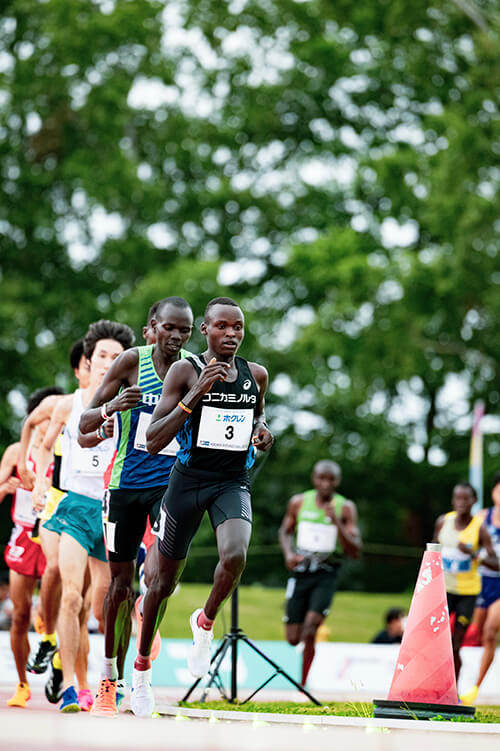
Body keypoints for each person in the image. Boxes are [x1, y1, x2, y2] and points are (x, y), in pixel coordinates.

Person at [129, 296, 274, 716]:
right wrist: (196, 393)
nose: (231, 334)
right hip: (187, 482)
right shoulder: (184, 370)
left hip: (231, 481)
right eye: (223, 327)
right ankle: (140, 670)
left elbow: (258, 416)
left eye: (238, 327)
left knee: (236, 554)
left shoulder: (256, 375)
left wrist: (263, 432)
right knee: (161, 584)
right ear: (205, 330)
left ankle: (205, 623)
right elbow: (155, 438)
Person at [78, 297, 193, 716]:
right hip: (124, 486)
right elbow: (84, 425)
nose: (176, 337)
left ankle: (142, 677)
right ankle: (110, 676)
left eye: (184, 330)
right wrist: (112, 406)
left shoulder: (192, 369)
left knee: (158, 576)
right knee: (119, 588)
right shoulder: (131, 362)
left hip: (171, 486)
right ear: (153, 327)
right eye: (169, 328)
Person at [32, 320, 135, 712]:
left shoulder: (132, 404)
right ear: (88, 362)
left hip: (112, 511)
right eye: (102, 356)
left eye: (115, 357)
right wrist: (42, 482)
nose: (108, 363)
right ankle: (74, 688)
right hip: (75, 506)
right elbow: (43, 446)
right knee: (71, 597)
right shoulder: (68, 405)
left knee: (104, 608)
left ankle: (114, 680)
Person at [20, 339, 90, 678]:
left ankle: (65, 653)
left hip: (90, 500)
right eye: (90, 363)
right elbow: (29, 425)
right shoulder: (59, 404)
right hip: (55, 497)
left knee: (83, 595)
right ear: (78, 369)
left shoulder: (112, 401)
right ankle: (47, 635)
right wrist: (27, 465)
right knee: (53, 570)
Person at [0, 386, 63, 708]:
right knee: (21, 614)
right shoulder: (15, 452)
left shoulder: (64, 448)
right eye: (42, 416)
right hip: (24, 535)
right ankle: (22, 685)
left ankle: (56, 659)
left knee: (62, 608)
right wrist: (6, 486)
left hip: (54, 533)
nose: (47, 422)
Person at [279, 460, 361, 686]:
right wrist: (288, 554)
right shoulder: (298, 502)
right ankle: (302, 677)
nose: (325, 484)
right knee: (293, 638)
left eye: (330, 479)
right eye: (321, 478)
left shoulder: (345, 507)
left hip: (327, 571)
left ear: (337, 481)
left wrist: (336, 521)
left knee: (311, 627)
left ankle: (302, 685)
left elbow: (354, 549)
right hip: (301, 570)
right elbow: (285, 531)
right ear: (314, 478)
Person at [433, 482, 498, 682]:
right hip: (443, 590)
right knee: (436, 642)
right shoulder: (443, 521)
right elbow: (431, 550)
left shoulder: (479, 529)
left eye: (465, 498)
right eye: (457, 498)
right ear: (452, 500)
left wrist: (473, 554)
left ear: (474, 501)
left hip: (467, 594)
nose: (461, 503)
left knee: (456, 644)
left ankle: (453, 689)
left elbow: (495, 562)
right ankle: (432, 683)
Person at [460, 472, 500, 705]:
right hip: (479, 582)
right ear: (493, 492)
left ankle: (475, 688)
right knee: (471, 631)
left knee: (490, 632)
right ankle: (459, 682)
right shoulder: (483, 517)